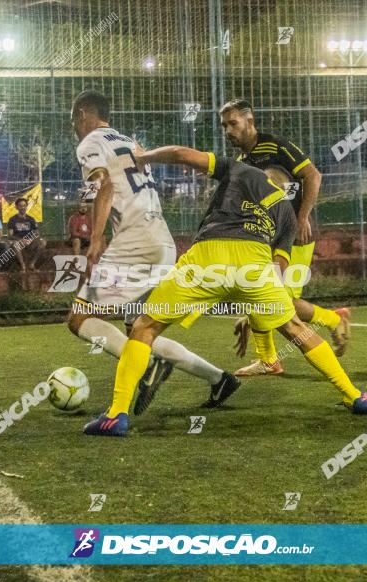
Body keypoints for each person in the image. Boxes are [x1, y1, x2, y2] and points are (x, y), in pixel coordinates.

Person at [83, 145, 367, 437]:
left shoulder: (241, 168)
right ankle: (354, 396)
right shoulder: (287, 211)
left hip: (208, 256)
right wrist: (255, 309)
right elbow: (278, 268)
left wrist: (145, 156)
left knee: (145, 327)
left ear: (263, 175)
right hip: (256, 265)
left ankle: (115, 415)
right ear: (285, 189)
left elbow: (183, 155)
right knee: (294, 327)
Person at [68, 89, 238, 417]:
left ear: (83, 115)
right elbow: (105, 184)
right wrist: (88, 199)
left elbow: (104, 184)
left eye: (74, 121)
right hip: (161, 240)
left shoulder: (89, 143)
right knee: (142, 328)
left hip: (134, 242)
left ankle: (146, 366)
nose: (74, 128)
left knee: (79, 317)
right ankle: (219, 378)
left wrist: (96, 238)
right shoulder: (130, 142)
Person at [219, 99, 351, 377]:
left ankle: (330, 319)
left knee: (280, 301)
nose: (228, 130)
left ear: (249, 121)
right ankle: (268, 359)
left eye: (233, 123)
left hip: (295, 234)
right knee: (261, 293)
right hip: (268, 237)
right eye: (224, 126)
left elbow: (313, 175)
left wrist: (302, 218)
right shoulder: (242, 161)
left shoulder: (275, 146)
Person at [6, 197, 48, 272]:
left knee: (43, 242)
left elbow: (36, 233)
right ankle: (23, 266)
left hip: (30, 241)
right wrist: (21, 240)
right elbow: (10, 235)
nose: (23, 207)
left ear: (26, 206)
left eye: (24, 205)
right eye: (20, 206)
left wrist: (31, 239)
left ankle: (32, 264)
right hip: (18, 241)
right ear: (16, 207)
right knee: (16, 244)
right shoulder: (12, 220)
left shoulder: (31, 219)